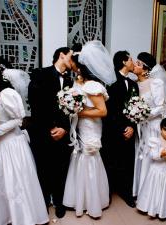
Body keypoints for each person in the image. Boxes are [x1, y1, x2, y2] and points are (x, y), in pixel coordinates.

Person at [0, 58, 49, 225]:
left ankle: (23, 217)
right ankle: (6, 216)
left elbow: (19, 119)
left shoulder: (8, 93)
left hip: (12, 144)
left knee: (16, 182)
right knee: (2, 182)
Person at [63, 41, 115, 218]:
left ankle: (93, 203)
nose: (70, 63)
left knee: (89, 157)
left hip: (90, 128)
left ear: (80, 65)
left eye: (73, 61)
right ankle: (81, 199)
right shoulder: (79, 82)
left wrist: (78, 112)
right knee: (80, 158)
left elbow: (102, 111)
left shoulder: (92, 85)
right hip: (80, 128)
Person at [28, 47, 73, 218]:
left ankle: (59, 201)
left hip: (62, 133)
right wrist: (50, 128)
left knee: (61, 168)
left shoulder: (69, 80)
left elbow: (71, 109)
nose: (73, 60)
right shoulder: (41, 74)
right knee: (44, 168)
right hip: (42, 132)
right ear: (61, 55)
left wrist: (64, 129)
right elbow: (35, 103)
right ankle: (44, 201)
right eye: (71, 56)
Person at [102, 50, 139, 208]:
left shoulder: (133, 84)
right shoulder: (110, 82)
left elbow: (137, 108)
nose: (133, 62)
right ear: (124, 62)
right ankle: (107, 193)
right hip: (113, 131)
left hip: (130, 130)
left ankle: (126, 193)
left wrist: (131, 126)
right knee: (110, 162)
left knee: (127, 163)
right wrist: (121, 128)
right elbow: (109, 111)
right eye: (130, 59)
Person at [132, 52, 166, 197]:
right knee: (141, 156)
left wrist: (144, 114)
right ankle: (140, 192)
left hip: (153, 126)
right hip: (140, 127)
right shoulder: (133, 85)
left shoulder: (156, 83)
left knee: (152, 156)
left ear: (145, 69)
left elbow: (161, 106)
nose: (135, 64)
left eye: (138, 63)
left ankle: (153, 195)